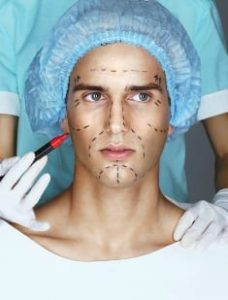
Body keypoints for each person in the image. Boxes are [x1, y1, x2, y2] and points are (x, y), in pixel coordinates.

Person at [0, 1, 227, 299]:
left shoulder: (215, 264)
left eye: (142, 96)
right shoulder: (17, 8)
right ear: (63, 114)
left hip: (184, 236)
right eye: (94, 95)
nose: (117, 125)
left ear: (174, 111)